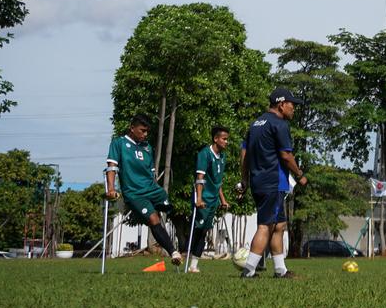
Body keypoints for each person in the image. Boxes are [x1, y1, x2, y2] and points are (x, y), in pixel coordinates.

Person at [238, 88, 306, 279]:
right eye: (291, 105)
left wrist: (245, 179)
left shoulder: (255, 124)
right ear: (281, 104)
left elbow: (244, 153)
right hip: (273, 182)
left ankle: (280, 270)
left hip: (258, 180)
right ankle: (249, 270)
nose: (293, 109)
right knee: (265, 226)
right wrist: (300, 174)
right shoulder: (279, 124)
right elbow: (286, 155)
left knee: (279, 225)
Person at [105, 114, 181, 268]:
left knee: (169, 211)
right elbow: (112, 167)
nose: (145, 134)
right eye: (142, 130)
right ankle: (173, 252)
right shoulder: (119, 144)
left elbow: (151, 173)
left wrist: (155, 190)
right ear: (132, 128)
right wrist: (111, 188)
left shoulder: (147, 147)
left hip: (152, 190)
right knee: (153, 219)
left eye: (147, 131)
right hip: (134, 193)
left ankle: (176, 245)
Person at [187, 126, 231, 273]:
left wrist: (223, 200)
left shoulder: (222, 157)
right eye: (224, 139)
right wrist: (198, 199)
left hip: (213, 201)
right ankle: (181, 255)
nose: (226, 142)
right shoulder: (204, 154)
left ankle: (194, 265)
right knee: (197, 230)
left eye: (227, 139)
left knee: (205, 231)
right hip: (203, 199)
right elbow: (200, 178)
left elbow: (217, 182)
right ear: (215, 139)